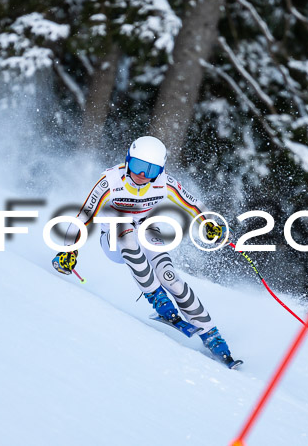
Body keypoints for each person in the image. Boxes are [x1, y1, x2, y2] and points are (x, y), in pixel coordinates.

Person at [52, 136, 239, 368]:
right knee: (127, 230)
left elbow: (194, 205)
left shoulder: (165, 182)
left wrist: (211, 224)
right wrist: (69, 249)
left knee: (170, 277)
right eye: (138, 166)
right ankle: (156, 298)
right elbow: (84, 215)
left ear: (159, 171)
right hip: (114, 238)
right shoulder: (109, 181)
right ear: (128, 160)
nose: (142, 175)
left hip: (146, 226)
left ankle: (212, 335)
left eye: (150, 170)